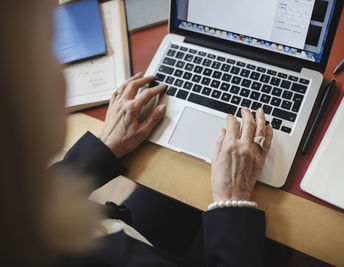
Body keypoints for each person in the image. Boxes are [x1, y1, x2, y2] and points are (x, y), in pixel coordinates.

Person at [0, 1, 273, 266]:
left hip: (115, 230)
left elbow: (40, 199)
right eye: (48, 50)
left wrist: (106, 144)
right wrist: (232, 196)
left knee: (169, 194)